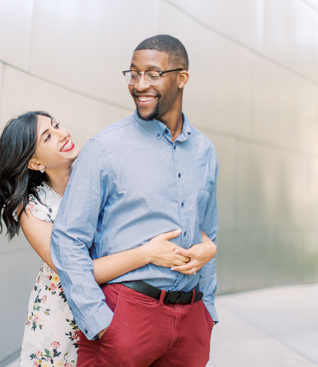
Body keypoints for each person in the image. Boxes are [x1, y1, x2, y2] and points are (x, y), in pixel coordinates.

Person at [0, 110, 217, 367]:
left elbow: (178, 217)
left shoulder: (101, 174)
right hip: (68, 315)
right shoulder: (33, 209)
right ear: (35, 163)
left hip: (121, 308)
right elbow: (74, 269)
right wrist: (147, 254)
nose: (63, 134)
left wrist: (208, 247)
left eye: (57, 125)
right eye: (48, 136)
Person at [50, 34, 219, 367]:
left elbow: (209, 232)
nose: (140, 84)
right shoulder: (105, 148)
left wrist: (207, 310)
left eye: (153, 74)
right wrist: (98, 320)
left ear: (181, 78)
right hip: (125, 316)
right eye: (133, 73)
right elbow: (67, 239)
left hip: (191, 321)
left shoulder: (204, 152)